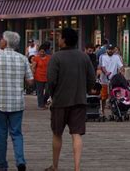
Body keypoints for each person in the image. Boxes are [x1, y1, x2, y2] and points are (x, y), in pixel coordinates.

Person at [0, 31, 33, 171]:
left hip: (0, 102)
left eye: (2, 39)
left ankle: (2, 164)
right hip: (17, 102)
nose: (0, 41)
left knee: (1, 135)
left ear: (6, 42)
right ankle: (20, 160)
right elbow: (30, 81)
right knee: (17, 133)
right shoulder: (23, 58)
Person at [46, 28, 95, 171]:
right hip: (79, 101)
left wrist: (52, 95)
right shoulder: (84, 57)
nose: (58, 39)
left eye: (60, 37)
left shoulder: (56, 57)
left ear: (64, 40)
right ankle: (77, 167)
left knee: (57, 134)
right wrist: (84, 90)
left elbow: (51, 80)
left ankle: (55, 165)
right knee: (77, 134)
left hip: (60, 101)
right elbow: (91, 78)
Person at [99, 44, 123, 117]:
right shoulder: (102, 56)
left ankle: (114, 112)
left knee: (114, 97)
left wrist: (121, 72)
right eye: (109, 49)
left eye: (112, 49)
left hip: (114, 80)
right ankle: (102, 111)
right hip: (104, 79)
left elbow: (121, 66)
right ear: (106, 50)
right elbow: (102, 66)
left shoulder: (117, 57)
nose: (110, 51)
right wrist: (106, 73)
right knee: (104, 96)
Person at [31, 45, 51, 109]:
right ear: (38, 52)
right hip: (38, 76)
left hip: (47, 77)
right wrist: (32, 75)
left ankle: (44, 102)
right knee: (40, 92)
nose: (42, 53)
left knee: (48, 91)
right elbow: (33, 67)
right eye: (40, 52)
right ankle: (40, 105)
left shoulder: (49, 58)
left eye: (43, 52)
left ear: (45, 52)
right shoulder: (36, 58)